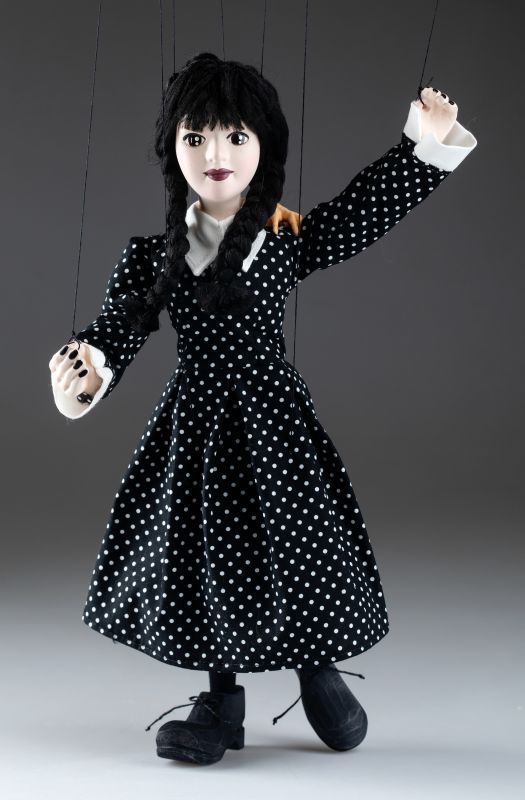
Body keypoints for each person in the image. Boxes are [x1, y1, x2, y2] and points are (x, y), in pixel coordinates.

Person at [48, 51, 477, 765]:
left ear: (263, 147)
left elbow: (357, 216)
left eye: (235, 136)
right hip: (196, 427)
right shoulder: (153, 257)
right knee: (205, 555)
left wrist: (419, 146)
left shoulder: (282, 240)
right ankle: (221, 701)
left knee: (300, 541)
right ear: (172, 148)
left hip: (274, 421)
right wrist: (85, 373)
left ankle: (316, 668)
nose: (215, 155)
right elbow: (116, 330)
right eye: (196, 137)